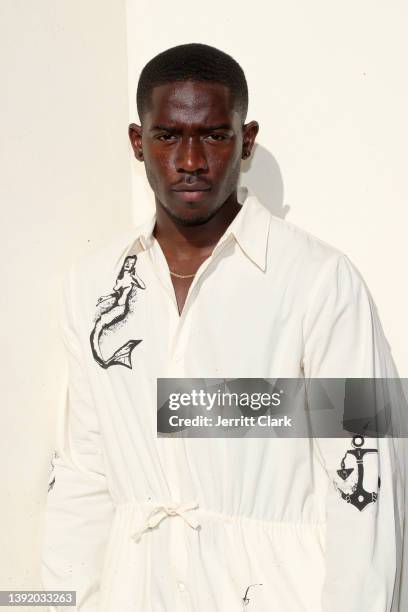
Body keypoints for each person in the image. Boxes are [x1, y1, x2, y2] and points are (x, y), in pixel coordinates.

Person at [41, 43, 405, 611]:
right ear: (139, 143)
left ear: (246, 139)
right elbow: (83, 479)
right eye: (167, 136)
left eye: (213, 135)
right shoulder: (90, 287)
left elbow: (367, 481)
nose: (190, 159)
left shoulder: (322, 280)